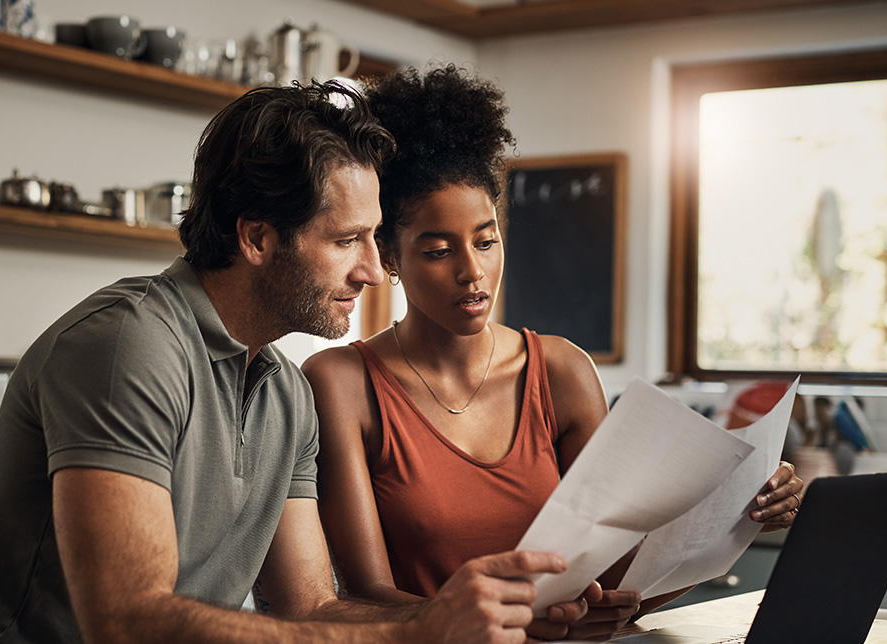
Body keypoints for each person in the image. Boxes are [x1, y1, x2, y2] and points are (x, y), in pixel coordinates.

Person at [0, 80, 593, 644]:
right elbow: (127, 622)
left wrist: (461, 619)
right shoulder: (129, 348)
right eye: (346, 241)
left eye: (373, 238)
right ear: (256, 236)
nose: (371, 269)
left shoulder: (283, 391)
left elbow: (310, 609)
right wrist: (418, 631)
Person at [301, 66, 805, 641]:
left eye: (487, 241)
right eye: (439, 250)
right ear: (388, 256)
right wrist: (514, 622)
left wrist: (738, 517)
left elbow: (619, 577)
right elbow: (367, 594)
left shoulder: (561, 371)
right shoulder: (341, 382)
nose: (473, 272)